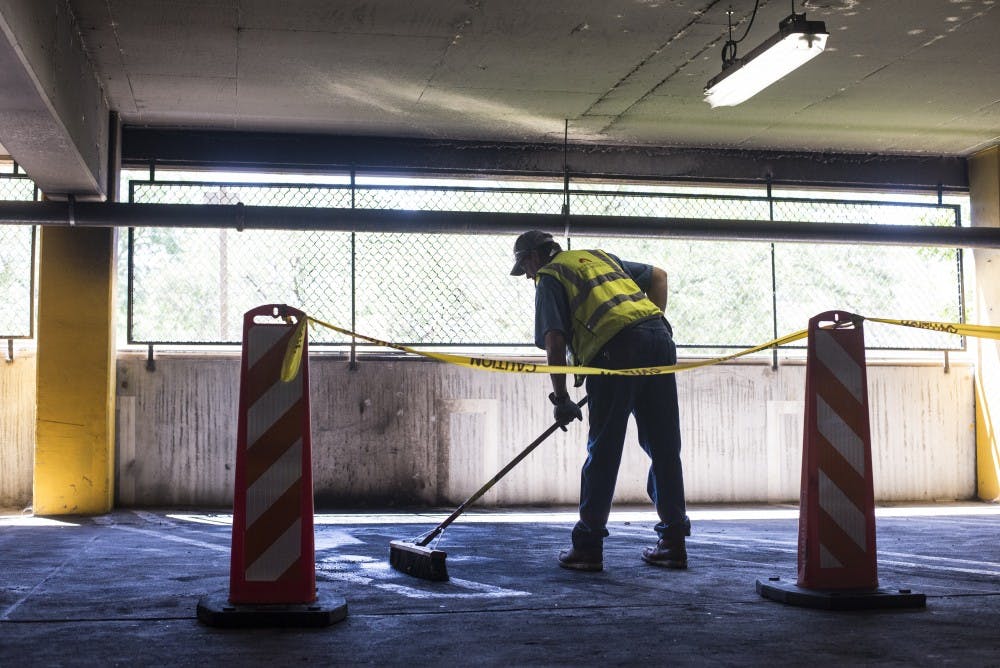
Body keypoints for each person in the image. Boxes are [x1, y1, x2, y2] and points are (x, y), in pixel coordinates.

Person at [510, 230, 690, 572]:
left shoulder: (550, 277)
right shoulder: (599, 257)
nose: (528, 277)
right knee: (665, 447)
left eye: (525, 268)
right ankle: (673, 543)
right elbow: (658, 276)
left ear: (534, 257)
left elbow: (554, 338)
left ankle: (588, 546)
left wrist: (561, 397)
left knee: (604, 449)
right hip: (658, 338)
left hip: (615, 351)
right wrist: (645, 330)